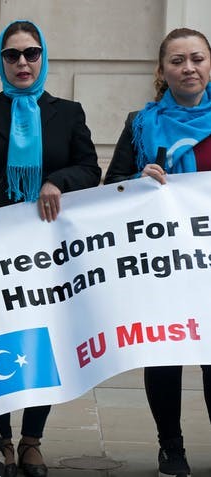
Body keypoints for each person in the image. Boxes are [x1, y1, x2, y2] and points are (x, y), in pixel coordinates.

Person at [0, 20, 101, 477]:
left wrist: (56, 181)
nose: (22, 63)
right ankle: (2, 440)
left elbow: (89, 168)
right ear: (1, 61)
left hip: (48, 249)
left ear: (42, 57)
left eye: (31, 53)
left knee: (43, 341)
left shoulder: (67, 111)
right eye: (12, 55)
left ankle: (32, 438)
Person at [104, 27, 211, 477]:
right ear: (162, 70)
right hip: (162, 264)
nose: (188, 68)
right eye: (177, 61)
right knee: (165, 357)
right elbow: (111, 187)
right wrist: (138, 181)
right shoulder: (140, 123)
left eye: (198, 59)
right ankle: (172, 448)